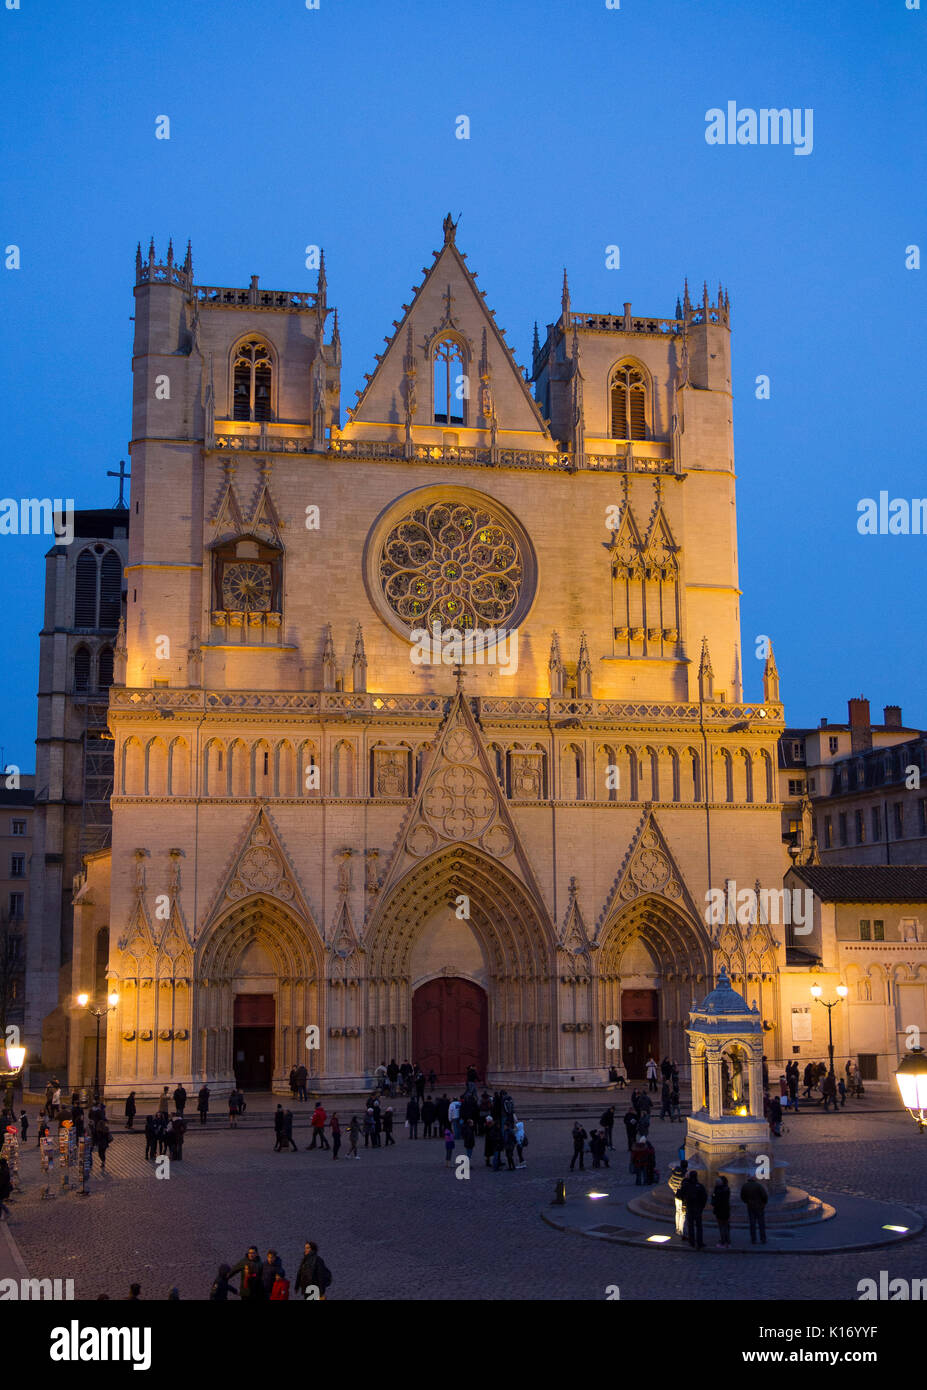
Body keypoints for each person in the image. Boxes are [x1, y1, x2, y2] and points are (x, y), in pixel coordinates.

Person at [681, 1171, 707, 1249]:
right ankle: (700, 1242)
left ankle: (692, 1242)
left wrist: (685, 1202)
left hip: (690, 1208)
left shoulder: (687, 1186)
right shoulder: (700, 1186)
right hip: (698, 1208)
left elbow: (682, 1194)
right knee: (699, 1226)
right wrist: (702, 1207)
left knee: (690, 1225)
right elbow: (704, 1198)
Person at [740, 1175, 768, 1244]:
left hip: (750, 1206)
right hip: (759, 1206)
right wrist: (764, 1203)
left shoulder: (745, 1186)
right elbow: (764, 1195)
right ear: (754, 1179)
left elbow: (742, 1196)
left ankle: (753, 1239)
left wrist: (747, 1201)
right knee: (761, 1223)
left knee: (752, 1224)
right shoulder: (758, 1185)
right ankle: (763, 1239)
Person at [668, 1157, 688, 1237]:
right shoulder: (685, 1175)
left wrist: (675, 1190)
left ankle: (677, 1229)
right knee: (683, 1213)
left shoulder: (675, 1173)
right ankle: (682, 1230)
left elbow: (670, 1182)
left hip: (677, 1195)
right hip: (683, 1197)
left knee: (678, 1212)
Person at [711, 1175, 732, 1248]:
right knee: (726, 1226)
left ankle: (723, 1242)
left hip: (719, 1210)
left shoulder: (717, 1190)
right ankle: (728, 1242)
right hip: (726, 1210)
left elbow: (714, 1201)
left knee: (722, 1227)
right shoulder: (727, 1189)